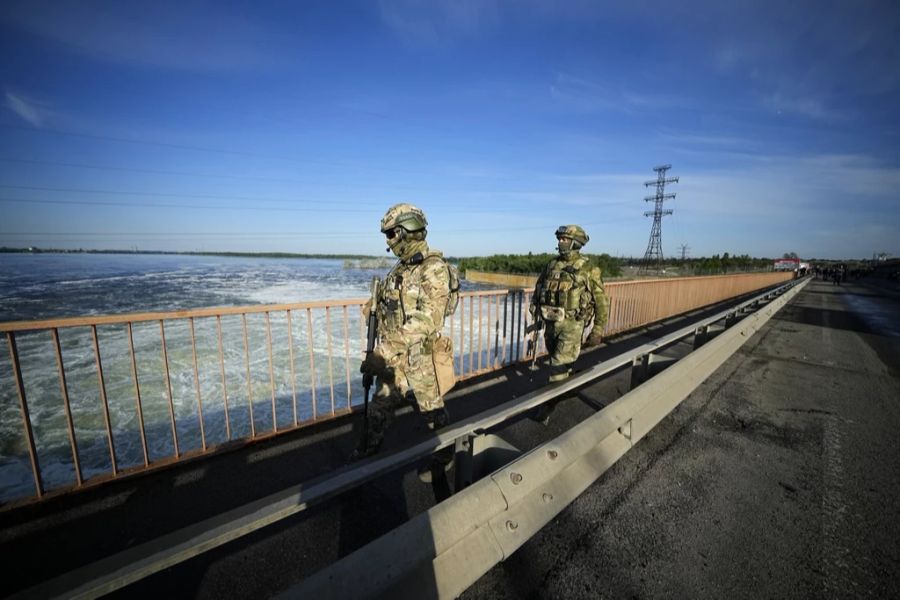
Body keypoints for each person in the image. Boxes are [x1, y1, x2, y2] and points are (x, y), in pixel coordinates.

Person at [355, 203, 456, 477]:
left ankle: (445, 455)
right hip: (394, 359)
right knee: (379, 406)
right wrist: (372, 307)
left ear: (406, 230)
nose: (388, 241)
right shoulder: (400, 269)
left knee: (431, 411)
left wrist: (382, 352)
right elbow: (390, 306)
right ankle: (369, 453)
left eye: (390, 234)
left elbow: (428, 319)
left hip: (420, 360)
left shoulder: (432, 268)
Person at [529, 225, 609, 421]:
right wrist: (536, 311)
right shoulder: (552, 265)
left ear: (576, 243)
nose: (560, 242)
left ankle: (548, 406)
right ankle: (568, 388)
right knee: (559, 361)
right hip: (550, 324)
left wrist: (597, 329)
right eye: (560, 239)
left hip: (572, 326)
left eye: (565, 239)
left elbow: (601, 301)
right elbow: (539, 289)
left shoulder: (588, 268)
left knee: (557, 365)